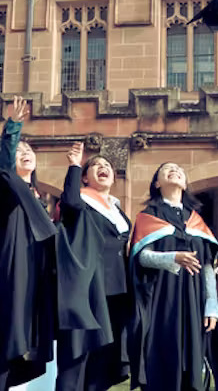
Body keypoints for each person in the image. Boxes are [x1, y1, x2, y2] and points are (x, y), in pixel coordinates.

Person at [0, 97, 60, 391]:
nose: (26, 153)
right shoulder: (8, 186)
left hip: (36, 275)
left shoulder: (40, 198)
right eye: (20, 150)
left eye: (30, 150)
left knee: (25, 347)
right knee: (6, 344)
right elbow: (3, 165)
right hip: (14, 269)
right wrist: (13, 128)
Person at [129, 159, 218, 390]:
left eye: (179, 170)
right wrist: (173, 258)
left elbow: (207, 265)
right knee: (162, 361)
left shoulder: (196, 220)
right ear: (157, 183)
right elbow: (141, 257)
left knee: (192, 364)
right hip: (161, 298)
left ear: (186, 183)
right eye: (167, 170)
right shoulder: (148, 216)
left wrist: (212, 305)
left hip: (194, 298)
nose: (175, 171)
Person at [55, 142, 131, 391]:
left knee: (103, 359)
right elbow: (71, 204)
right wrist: (74, 166)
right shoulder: (82, 202)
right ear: (85, 178)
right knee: (77, 356)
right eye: (96, 165)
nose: (103, 167)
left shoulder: (119, 211)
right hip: (88, 289)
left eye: (107, 165)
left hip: (118, 292)